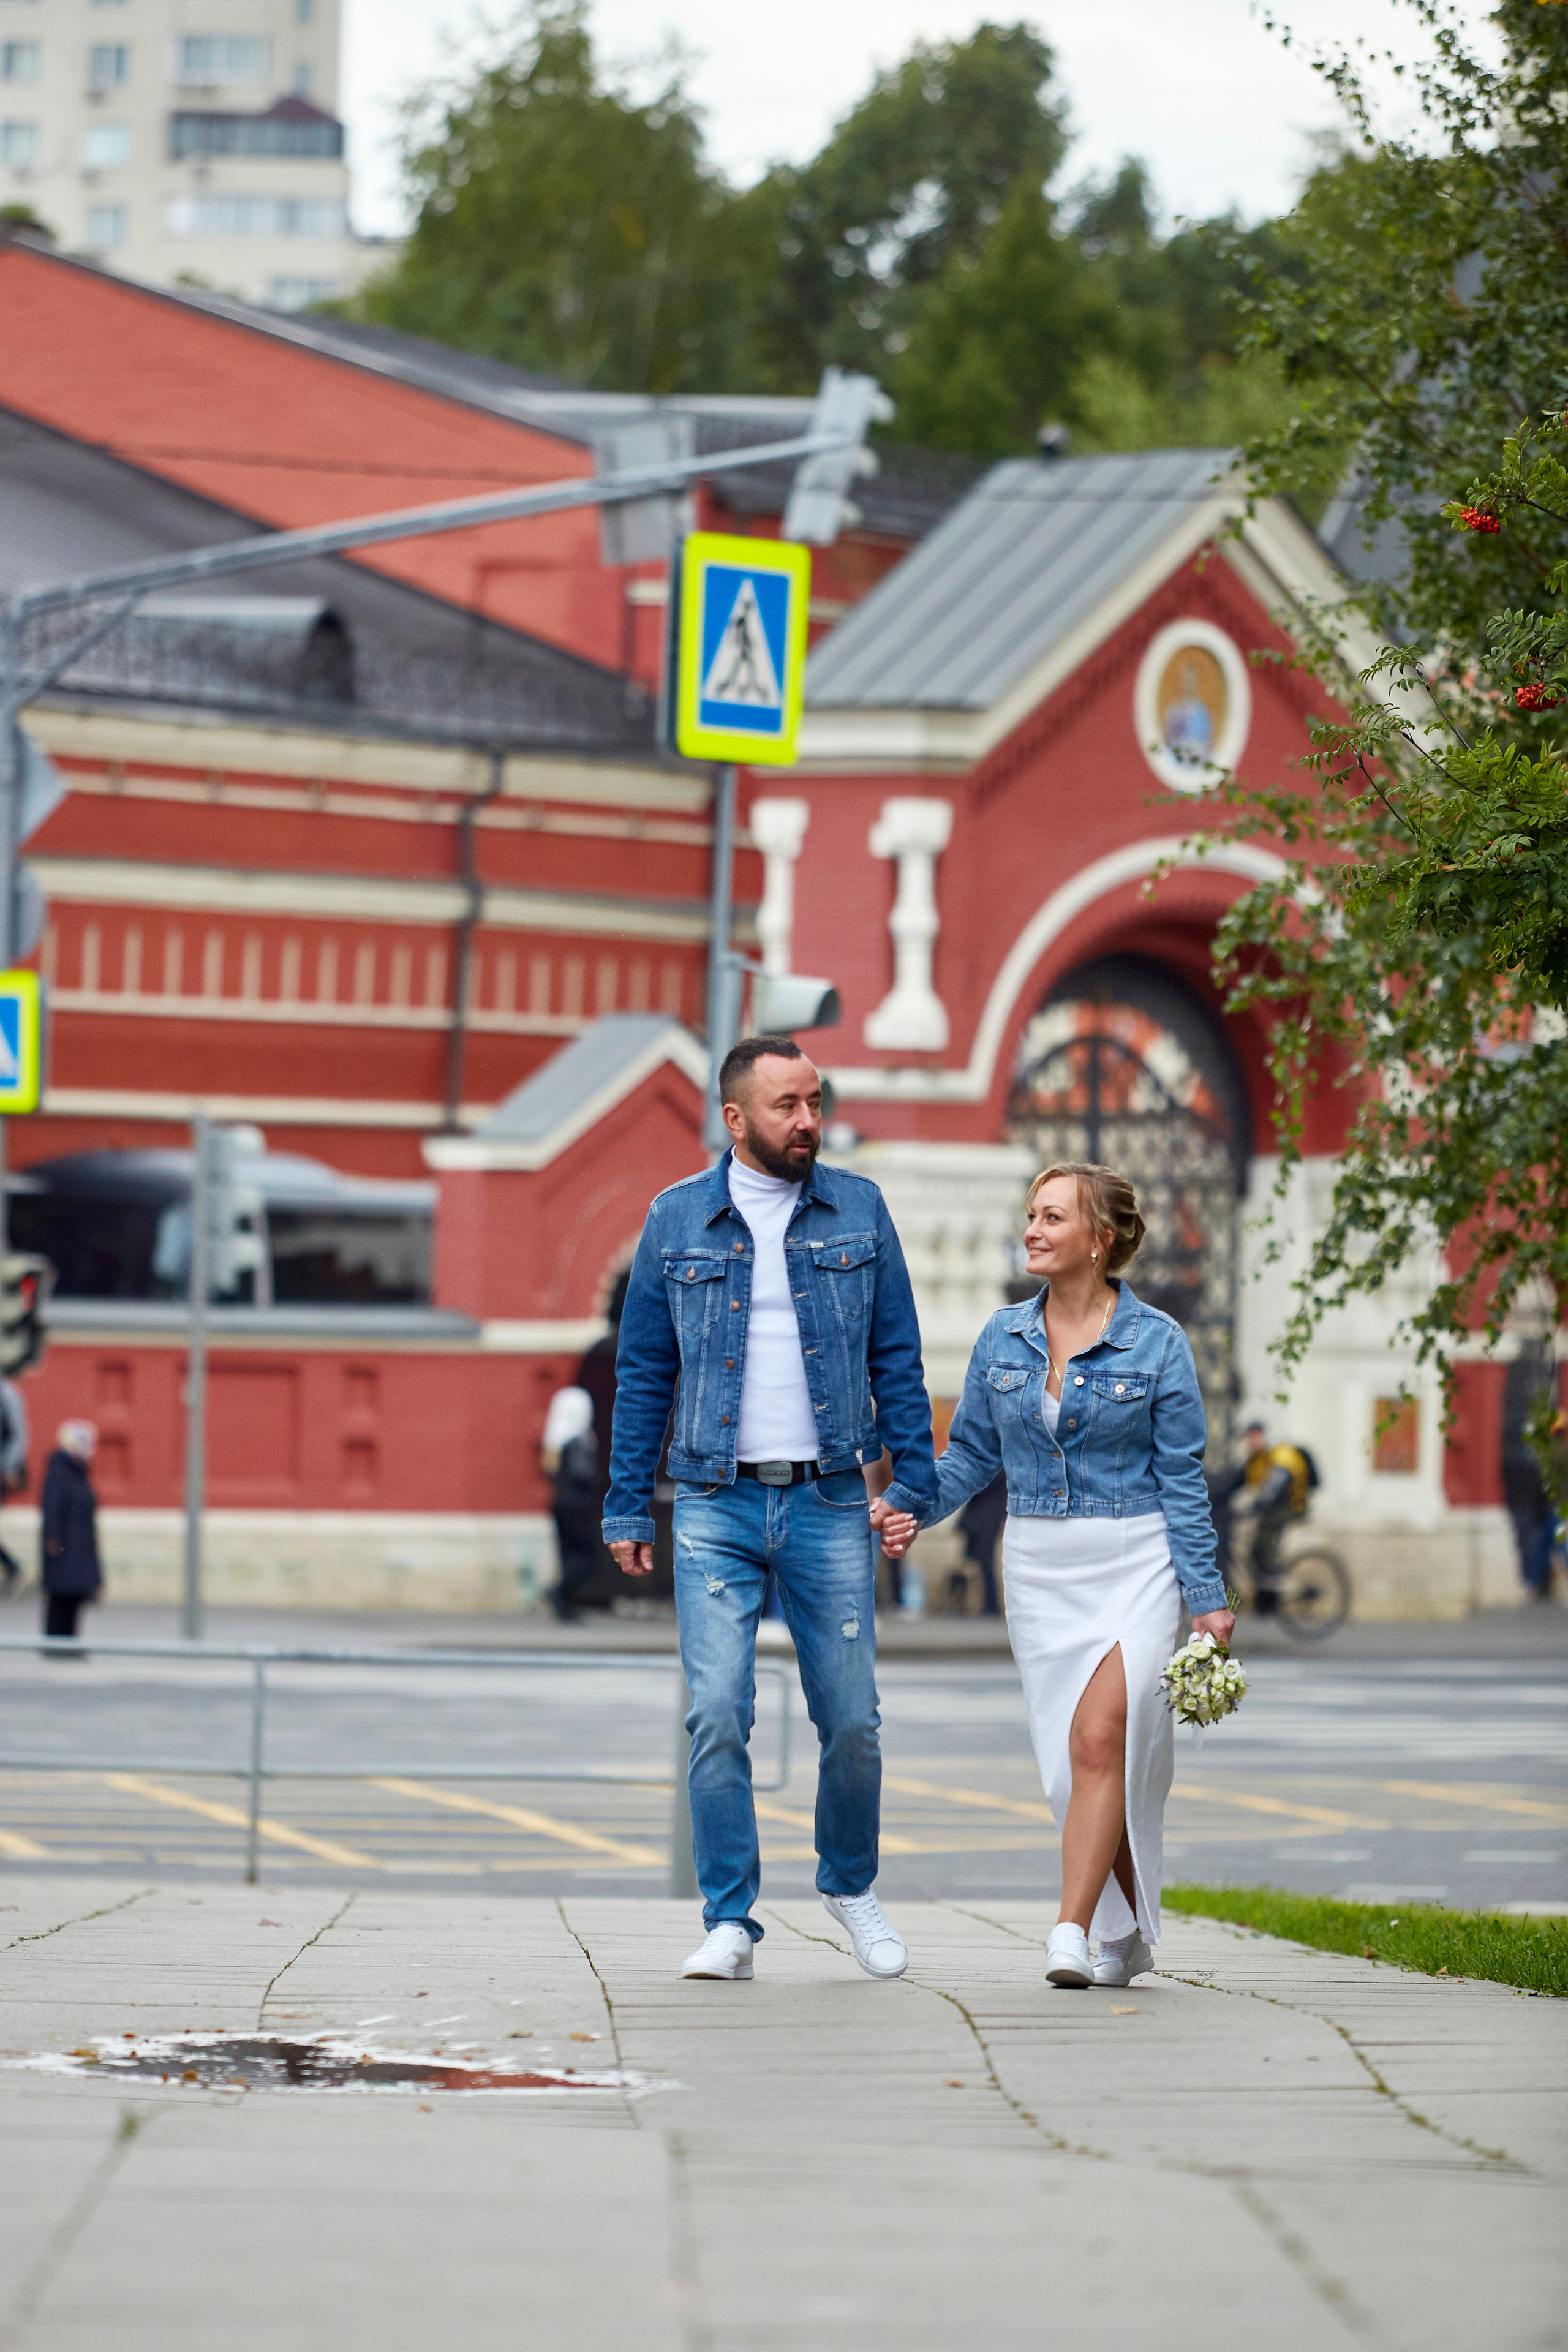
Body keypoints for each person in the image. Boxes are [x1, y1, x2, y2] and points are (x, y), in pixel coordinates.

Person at [603, 1033, 937, 1983]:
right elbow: (642, 1373)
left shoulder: (860, 1209)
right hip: (714, 1500)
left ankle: (849, 1885)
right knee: (716, 1711)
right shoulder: (676, 1221)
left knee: (853, 1719)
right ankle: (730, 1921)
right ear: (737, 1118)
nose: (809, 1123)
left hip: (833, 1497)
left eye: (816, 1103)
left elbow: (897, 1359)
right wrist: (629, 1505)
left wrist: (909, 1484)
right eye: (789, 1107)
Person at [875, 1163, 1230, 1991]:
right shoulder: (1004, 1336)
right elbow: (968, 1455)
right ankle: (1128, 1928)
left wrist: (1206, 1597)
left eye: (1053, 1217)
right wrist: (911, 1507)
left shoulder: (1159, 1344)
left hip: (1135, 1555)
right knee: (1070, 1769)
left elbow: (1183, 1477)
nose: (1032, 1229)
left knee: (1102, 1741)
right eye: (1031, 1215)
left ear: (1102, 1239)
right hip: (1039, 1563)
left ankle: (1069, 1931)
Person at [1230, 1420, 1316, 1613]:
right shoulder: (1257, 1459)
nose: (1249, 1443)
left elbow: (1276, 1484)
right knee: (1256, 1544)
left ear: (1263, 1436)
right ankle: (1265, 1596)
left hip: (1292, 1506)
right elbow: (1237, 1482)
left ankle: (1271, 1588)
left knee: (1265, 1539)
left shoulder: (1280, 1453)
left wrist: (1256, 1505)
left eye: (1253, 1437)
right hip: (1274, 1507)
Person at [541, 1386, 601, 1622]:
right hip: (577, 1504)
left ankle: (564, 1602)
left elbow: (550, 1468)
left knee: (568, 1555)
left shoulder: (557, 1442)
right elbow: (583, 1475)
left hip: (561, 1502)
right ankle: (560, 1594)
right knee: (586, 1556)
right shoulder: (579, 1441)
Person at [40, 1420, 101, 1643]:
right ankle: (56, 1643)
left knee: (74, 1597)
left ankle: (69, 1642)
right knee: (60, 1597)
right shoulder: (60, 1472)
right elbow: (52, 1508)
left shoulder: (79, 1473)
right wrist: (53, 1540)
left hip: (78, 1547)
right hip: (65, 1548)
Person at [0, 1374, 29, 1593]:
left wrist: (10, 1468)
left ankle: (13, 1569)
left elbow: (18, 1433)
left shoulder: (6, 1393)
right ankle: (12, 1568)